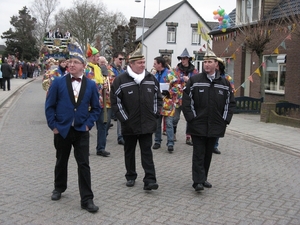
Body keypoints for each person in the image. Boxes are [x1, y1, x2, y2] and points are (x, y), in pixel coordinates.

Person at [45, 39, 101, 212]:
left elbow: (96, 109)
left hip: (81, 130)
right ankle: (59, 187)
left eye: (76, 62)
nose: (72, 65)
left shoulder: (91, 85)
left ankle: (87, 199)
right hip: (61, 129)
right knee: (61, 160)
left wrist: (88, 125)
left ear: (84, 66)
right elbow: (49, 106)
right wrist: (53, 125)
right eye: (70, 62)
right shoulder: (58, 82)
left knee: (83, 164)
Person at [182, 48, 236, 192]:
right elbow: (187, 101)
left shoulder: (224, 83)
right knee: (198, 153)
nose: (206, 64)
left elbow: (230, 103)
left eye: (209, 62)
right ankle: (197, 181)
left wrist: (225, 120)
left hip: (215, 125)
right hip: (197, 124)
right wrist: (191, 118)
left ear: (216, 65)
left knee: (208, 154)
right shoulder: (194, 81)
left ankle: (203, 177)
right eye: (205, 62)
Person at [110, 44, 162, 190]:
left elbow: (158, 98)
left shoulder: (151, 78)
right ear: (131, 64)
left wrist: (155, 113)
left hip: (147, 123)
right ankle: (131, 175)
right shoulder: (120, 80)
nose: (142, 65)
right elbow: (115, 101)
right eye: (139, 63)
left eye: (144, 62)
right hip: (129, 124)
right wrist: (124, 118)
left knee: (147, 152)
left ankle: (150, 179)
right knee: (129, 152)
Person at [85, 44, 110, 157]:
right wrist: (101, 85)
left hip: (99, 101)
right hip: (88, 103)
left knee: (102, 125)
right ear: (92, 57)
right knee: (86, 126)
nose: (99, 58)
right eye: (97, 56)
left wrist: (105, 85)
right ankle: (84, 148)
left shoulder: (98, 69)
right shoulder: (86, 69)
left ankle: (101, 148)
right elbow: (90, 84)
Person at [171, 48, 198, 145]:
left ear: (188, 59)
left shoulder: (194, 71)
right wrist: (181, 79)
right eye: (181, 58)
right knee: (175, 118)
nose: (182, 60)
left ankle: (188, 137)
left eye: (184, 58)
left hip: (189, 98)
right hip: (178, 98)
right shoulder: (176, 70)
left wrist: (189, 80)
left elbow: (197, 82)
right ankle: (173, 134)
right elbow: (172, 81)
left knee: (189, 118)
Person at [152, 56, 177, 153]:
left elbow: (177, 87)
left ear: (160, 64)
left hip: (168, 103)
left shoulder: (170, 74)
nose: (153, 65)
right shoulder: (154, 74)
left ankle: (170, 143)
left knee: (169, 124)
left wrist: (169, 92)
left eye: (155, 63)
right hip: (158, 103)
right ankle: (157, 141)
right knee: (157, 123)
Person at [213, 57, 236, 154]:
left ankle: (215, 145)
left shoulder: (227, 78)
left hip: (221, 106)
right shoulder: (210, 76)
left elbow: (232, 92)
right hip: (211, 104)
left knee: (218, 126)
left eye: (216, 64)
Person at [107, 52, 126, 145]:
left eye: (123, 59)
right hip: (110, 98)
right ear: (114, 58)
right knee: (107, 120)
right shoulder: (109, 69)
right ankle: (104, 134)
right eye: (120, 59)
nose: (121, 61)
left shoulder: (122, 70)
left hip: (120, 97)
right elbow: (111, 82)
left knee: (120, 117)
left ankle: (120, 136)